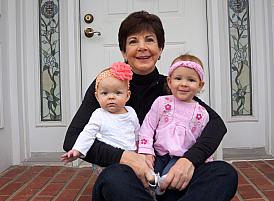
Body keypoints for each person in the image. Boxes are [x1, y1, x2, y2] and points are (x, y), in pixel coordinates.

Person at [63, 10, 238, 201]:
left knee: (224, 173)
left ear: (160, 49)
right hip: (129, 180)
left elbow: (216, 124)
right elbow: (72, 139)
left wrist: (189, 160)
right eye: (133, 41)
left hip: (169, 176)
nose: (142, 47)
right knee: (113, 177)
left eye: (149, 40)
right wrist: (126, 158)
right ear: (123, 51)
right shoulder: (107, 87)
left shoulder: (172, 86)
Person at [138, 54, 213, 195]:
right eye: (178, 78)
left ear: (200, 85)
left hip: (181, 159)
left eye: (191, 80)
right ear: (170, 81)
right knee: (147, 177)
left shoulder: (202, 113)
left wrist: (204, 162)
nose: (184, 84)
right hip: (159, 154)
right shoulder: (161, 102)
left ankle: (162, 193)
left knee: (171, 181)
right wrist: (146, 150)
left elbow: (202, 141)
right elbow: (147, 127)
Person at [60, 62, 139, 164]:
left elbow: (137, 131)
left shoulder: (131, 112)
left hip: (131, 155)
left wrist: (139, 149)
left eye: (118, 93)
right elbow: (88, 133)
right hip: (109, 159)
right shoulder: (99, 114)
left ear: (127, 96)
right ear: (97, 97)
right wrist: (77, 150)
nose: (111, 97)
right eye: (105, 93)